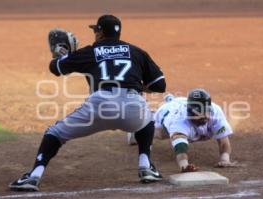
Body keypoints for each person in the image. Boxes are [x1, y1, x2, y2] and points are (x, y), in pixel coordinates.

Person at [9, 14, 165, 191]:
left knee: (55, 133)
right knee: (148, 120)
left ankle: (34, 175)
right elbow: (160, 85)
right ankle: (146, 166)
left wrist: (61, 55)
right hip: (132, 105)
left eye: (95, 30)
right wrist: (137, 85)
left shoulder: (91, 51)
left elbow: (56, 68)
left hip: (100, 106)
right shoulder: (137, 52)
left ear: (99, 33)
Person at [153, 89, 236, 172]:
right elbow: (180, 149)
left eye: (206, 111)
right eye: (200, 113)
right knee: (160, 134)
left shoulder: (216, 112)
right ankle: (153, 112)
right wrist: (184, 165)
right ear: (191, 113)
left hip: (183, 102)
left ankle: (171, 99)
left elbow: (223, 141)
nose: (206, 116)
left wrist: (225, 159)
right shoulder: (178, 122)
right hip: (166, 111)